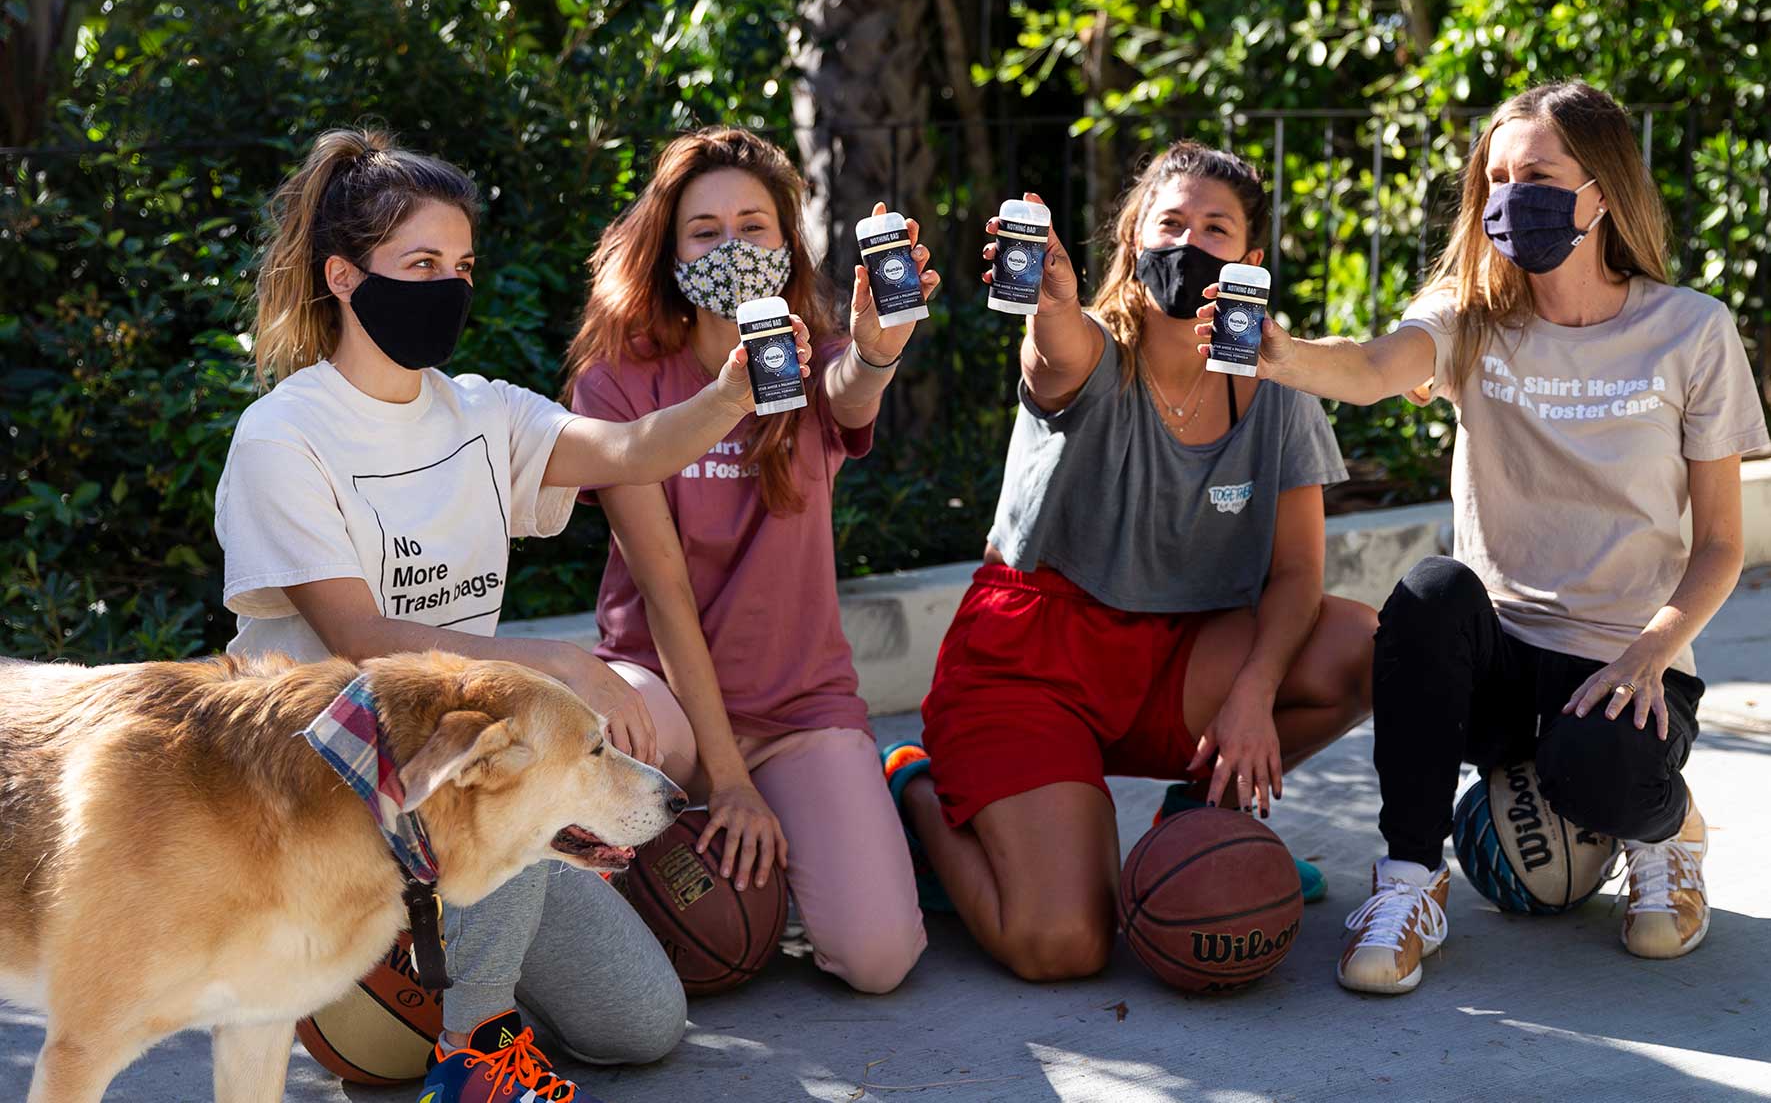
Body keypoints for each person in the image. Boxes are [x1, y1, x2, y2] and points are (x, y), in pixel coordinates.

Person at [214, 128, 811, 1102]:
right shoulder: (284, 435)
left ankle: (422, 940)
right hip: (320, 776)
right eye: (419, 265)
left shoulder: (481, 412)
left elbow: (631, 448)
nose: (447, 286)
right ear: (343, 275)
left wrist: (731, 391)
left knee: (640, 1024)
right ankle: (475, 1048)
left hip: (460, 775)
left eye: (460, 266)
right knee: (524, 724)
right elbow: (360, 639)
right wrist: (558, 665)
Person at [1200, 81, 1768, 994]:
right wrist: (1282, 355)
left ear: (1602, 190)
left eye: (1536, 174)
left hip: (1621, 661)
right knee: (1428, 592)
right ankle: (1410, 882)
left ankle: (1668, 833)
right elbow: (1378, 366)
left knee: (1603, 782)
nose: (1511, 198)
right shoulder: (1469, 314)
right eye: (1496, 179)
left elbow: (1721, 545)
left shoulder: (1691, 330)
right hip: (1496, 660)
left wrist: (1650, 653)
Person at [886, 141, 1377, 982]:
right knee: (1063, 946)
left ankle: (1201, 818)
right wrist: (1049, 305)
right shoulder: (1092, 353)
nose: (1190, 242)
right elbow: (1055, 353)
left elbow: (1298, 573)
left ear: (1250, 260)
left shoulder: (1279, 381)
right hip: (1030, 659)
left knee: (1363, 644)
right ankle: (919, 789)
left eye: (1215, 229)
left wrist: (1254, 693)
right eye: (1170, 223)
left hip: (1180, 656)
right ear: (1132, 243)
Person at [564, 127, 929, 995]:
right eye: (704, 231)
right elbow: (662, 592)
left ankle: (896, 795)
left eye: (754, 226)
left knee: (878, 962)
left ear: (787, 242)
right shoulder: (617, 382)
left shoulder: (812, 357)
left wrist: (879, 348)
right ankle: (683, 833)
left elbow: (849, 393)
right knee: (620, 738)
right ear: (668, 249)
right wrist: (727, 782)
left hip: (801, 707)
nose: (732, 247)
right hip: (667, 703)